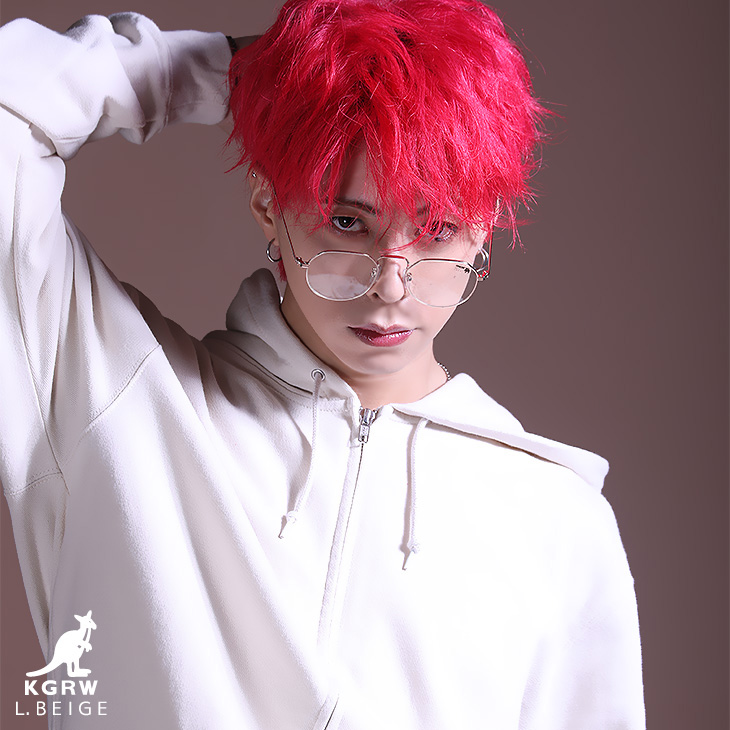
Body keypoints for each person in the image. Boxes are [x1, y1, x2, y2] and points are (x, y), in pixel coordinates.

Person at [0, 1, 645, 728]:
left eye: (437, 229)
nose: (390, 283)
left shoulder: (556, 521)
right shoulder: (117, 391)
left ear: (485, 225)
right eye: (347, 222)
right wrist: (246, 79)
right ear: (267, 203)